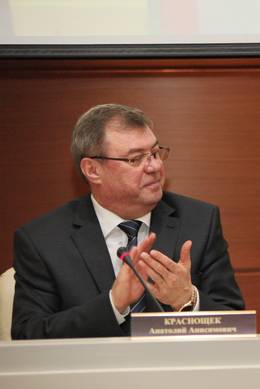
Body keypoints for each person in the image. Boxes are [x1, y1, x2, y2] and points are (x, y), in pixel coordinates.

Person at [12, 104, 244, 339]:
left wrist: (187, 300)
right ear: (92, 170)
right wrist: (113, 304)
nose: (155, 166)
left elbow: (237, 327)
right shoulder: (43, 241)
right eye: (135, 159)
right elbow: (27, 336)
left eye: (155, 153)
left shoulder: (199, 222)